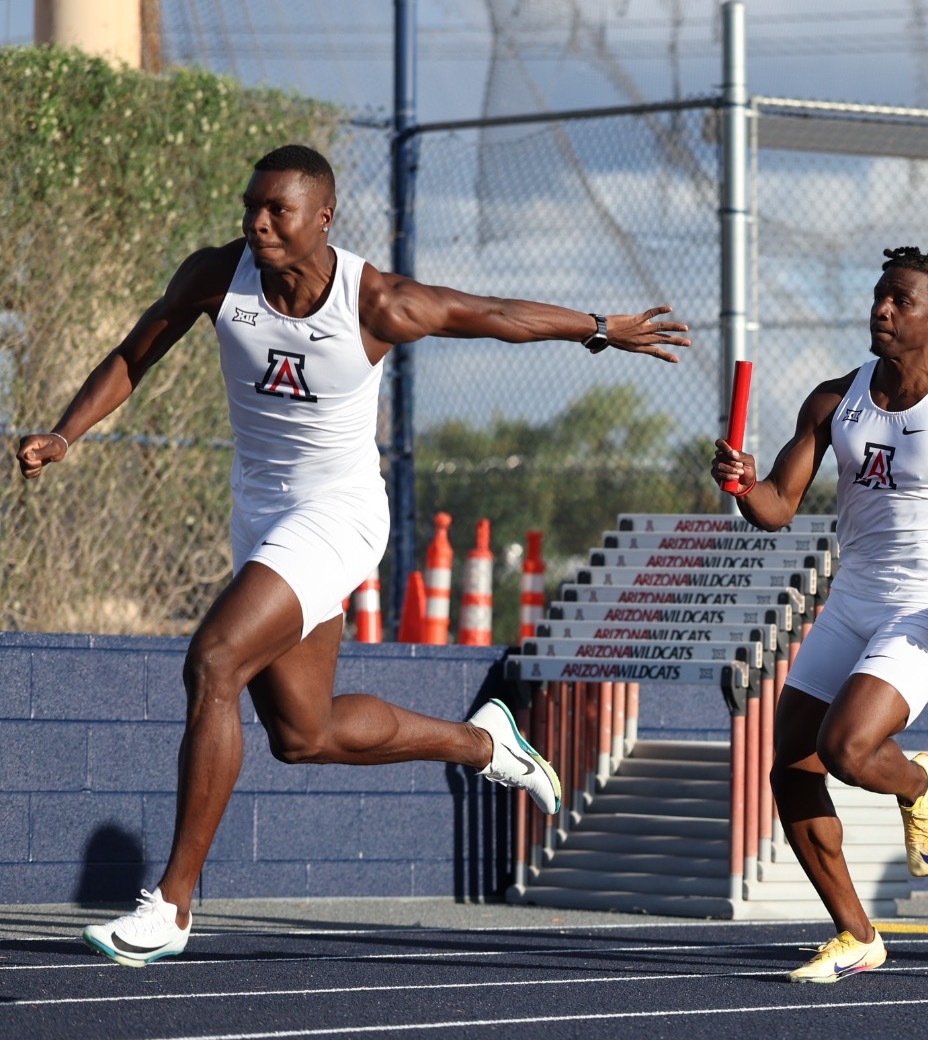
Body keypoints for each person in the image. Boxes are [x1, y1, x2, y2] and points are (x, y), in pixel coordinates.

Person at [15, 145, 692, 968]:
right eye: (251, 206)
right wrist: (65, 433)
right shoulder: (216, 275)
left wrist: (600, 328)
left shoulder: (375, 302)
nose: (258, 223)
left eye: (278, 210)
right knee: (302, 735)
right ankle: (484, 745)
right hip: (260, 515)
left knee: (216, 661)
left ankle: (173, 905)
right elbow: (134, 354)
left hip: (338, 515)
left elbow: (492, 314)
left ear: (324, 218)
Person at [710, 242, 928, 984]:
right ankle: (857, 934)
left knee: (848, 748)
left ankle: (918, 785)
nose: (882, 309)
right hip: (851, 603)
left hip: (926, 611)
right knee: (790, 768)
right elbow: (777, 507)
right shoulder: (835, 400)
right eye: (879, 296)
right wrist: (741, 484)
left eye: (901, 300)